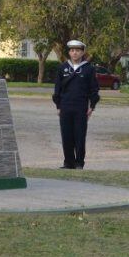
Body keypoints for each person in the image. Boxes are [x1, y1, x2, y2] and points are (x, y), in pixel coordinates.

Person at [52, 40, 100, 169]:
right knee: (66, 135)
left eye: (77, 51)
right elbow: (57, 89)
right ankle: (68, 162)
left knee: (79, 135)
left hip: (81, 106)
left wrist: (92, 106)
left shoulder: (89, 69)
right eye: (72, 50)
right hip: (65, 106)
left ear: (82, 52)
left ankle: (79, 162)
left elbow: (94, 89)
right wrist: (58, 105)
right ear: (69, 52)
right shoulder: (62, 68)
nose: (74, 53)